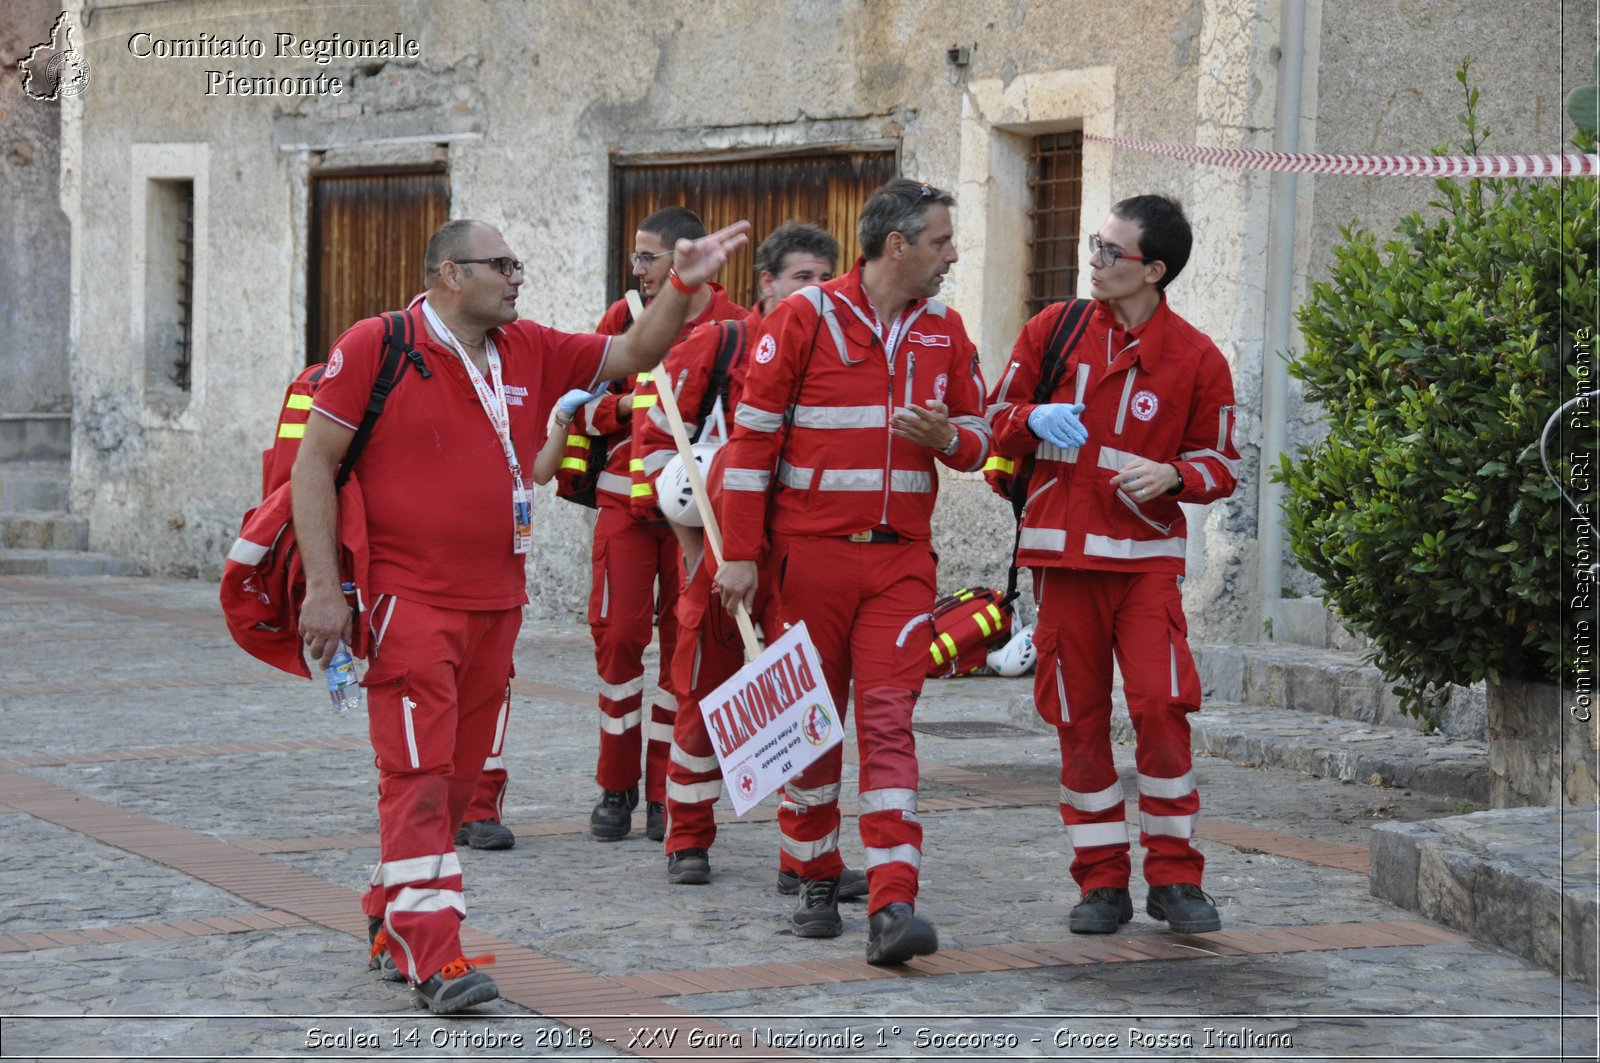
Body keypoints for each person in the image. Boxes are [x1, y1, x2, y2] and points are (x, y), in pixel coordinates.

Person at [293, 216, 747, 1013]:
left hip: (498, 604)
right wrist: (325, 589)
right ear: (447, 274)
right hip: (409, 601)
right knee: (419, 776)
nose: (516, 276)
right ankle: (434, 954)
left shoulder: (529, 347)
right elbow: (314, 462)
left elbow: (637, 355)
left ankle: (388, 911)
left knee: (461, 780)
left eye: (518, 263)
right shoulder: (379, 343)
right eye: (500, 264)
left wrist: (683, 287)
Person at [713, 180, 992, 965]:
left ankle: (893, 900)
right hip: (809, 560)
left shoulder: (947, 330)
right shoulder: (801, 318)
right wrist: (740, 553)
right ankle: (811, 870)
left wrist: (949, 438)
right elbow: (750, 445)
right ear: (896, 246)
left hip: (901, 561)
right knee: (810, 724)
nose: (952, 256)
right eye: (940, 242)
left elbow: (982, 438)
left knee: (888, 721)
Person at [985, 194, 1240, 937]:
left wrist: (1176, 477)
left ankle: (1175, 877)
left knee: (1162, 709)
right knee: (1077, 719)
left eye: (1110, 252)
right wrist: (1029, 419)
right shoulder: (1053, 329)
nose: (1092, 262)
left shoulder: (1197, 357)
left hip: (1145, 568)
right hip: (1062, 564)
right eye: (1094, 246)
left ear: (1154, 270)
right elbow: (993, 415)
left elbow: (1222, 461)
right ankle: (1101, 881)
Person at [629, 222, 869, 899]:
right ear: (767, 283)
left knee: (800, 699)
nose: (818, 291)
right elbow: (653, 450)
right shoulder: (717, 341)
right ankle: (686, 833)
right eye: (803, 277)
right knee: (703, 692)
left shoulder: (839, 351)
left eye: (827, 277)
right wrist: (696, 548)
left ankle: (808, 853)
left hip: (796, 558)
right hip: (717, 554)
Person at [576, 207, 749, 843]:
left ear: (685, 256)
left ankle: (663, 789)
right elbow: (582, 408)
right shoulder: (622, 321)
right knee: (619, 638)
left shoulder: (737, 326)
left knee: (687, 653)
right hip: (627, 504)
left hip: (700, 518)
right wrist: (628, 406)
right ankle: (614, 783)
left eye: (651, 257)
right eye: (637, 258)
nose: (640, 270)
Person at [452, 382, 610, 854]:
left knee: (493, 686)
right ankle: (430, 802)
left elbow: (541, 471)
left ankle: (480, 809)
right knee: (436, 685)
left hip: (500, 575)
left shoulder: (508, 419)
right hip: (442, 573)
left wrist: (561, 419)